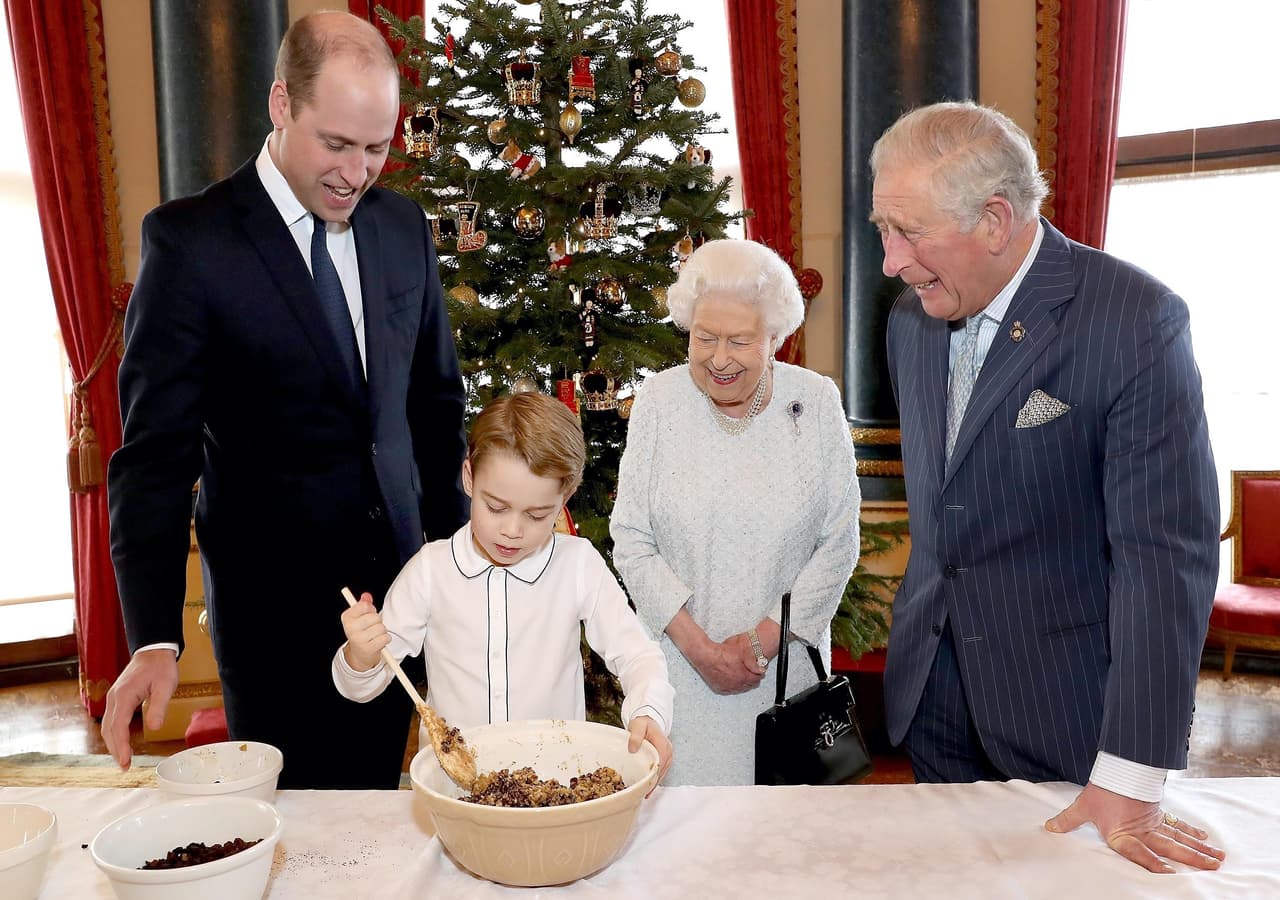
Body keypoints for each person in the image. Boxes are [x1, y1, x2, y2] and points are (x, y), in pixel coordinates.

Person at [102, 11, 469, 789]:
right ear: (280, 105)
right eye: (335, 144)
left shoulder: (403, 227)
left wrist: (460, 567)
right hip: (277, 624)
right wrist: (152, 638)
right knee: (296, 842)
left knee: (378, 815)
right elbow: (153, 461)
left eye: (376, 149)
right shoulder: (190, 244)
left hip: (401, 600)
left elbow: (435, 410)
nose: (356, 171)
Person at [870, 101, 1225, 872]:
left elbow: (1165, 558)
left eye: (909, 233)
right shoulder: (909, 320)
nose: (891, 261)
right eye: (881, 231)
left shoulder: (1135, 320)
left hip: (1066, 717)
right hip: (931, 697)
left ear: (995, 220)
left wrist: (1132, 770)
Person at [610, 239, 861, 785]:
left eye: (740, 341)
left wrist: (758, 643)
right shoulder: (658, 401)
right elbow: (630, 537)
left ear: (775, 338)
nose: (719, 359)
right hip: (677, 675)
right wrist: (700, 649)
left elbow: (838, 541)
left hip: (784, 681)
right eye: (705, 338)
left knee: (783, 847)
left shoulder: (815, 402)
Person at [334, 392, 674, 782]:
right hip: (453, 792)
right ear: (468, 478)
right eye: (495, 507)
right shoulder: (431, 569)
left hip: (553, 787)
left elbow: (638, 655)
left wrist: (648, 710)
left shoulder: (577, 565)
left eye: (536, 514)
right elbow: (361, 686)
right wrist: (361, 656)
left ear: (564, 498)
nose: (512, 531)